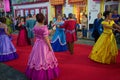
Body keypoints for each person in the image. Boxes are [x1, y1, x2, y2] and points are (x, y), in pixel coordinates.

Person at [26, 13, 59, 80]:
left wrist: (51, 30)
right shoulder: (44, 27)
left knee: (37, 58)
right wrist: (50, 47)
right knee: (44, 59)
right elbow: (46, 39)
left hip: (37, 44)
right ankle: (44, 75)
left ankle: (35, 73)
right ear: (43, 19)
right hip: (43, 45)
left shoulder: (35, 26)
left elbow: (38, 34)